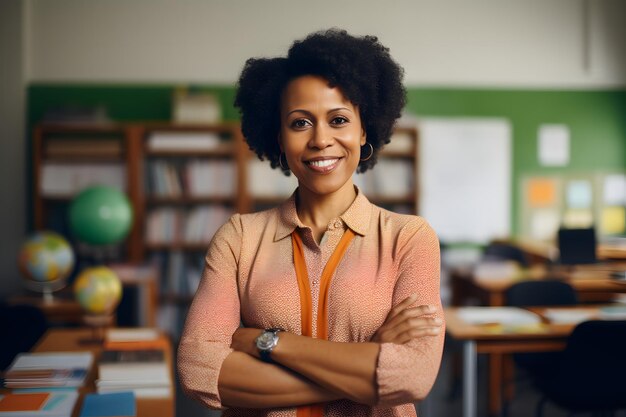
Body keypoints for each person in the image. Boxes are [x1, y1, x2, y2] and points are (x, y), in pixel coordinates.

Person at [178, 29, 444, 417]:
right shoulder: (238, 238)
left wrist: (266, 342)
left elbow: (412, 377)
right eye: (300, 123)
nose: (321, 139)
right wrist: (369, 361)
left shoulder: (409, 238)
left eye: (338, 120)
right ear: (280, 138)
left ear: (364, 130)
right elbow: (199, 370)